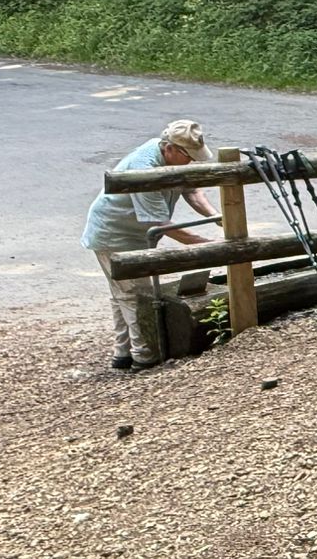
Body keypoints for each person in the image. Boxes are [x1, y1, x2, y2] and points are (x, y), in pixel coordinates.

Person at [80, 118, 219, 371]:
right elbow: (161, 224)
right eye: (189, 157)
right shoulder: (144, 168)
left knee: (123, 294)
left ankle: (123, 353)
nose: (192, 162)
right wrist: (208, 244)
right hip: (115, 233)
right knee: (135, 295)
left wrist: (216, 217)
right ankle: (144, 355)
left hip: (135, 233)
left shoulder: (173, 159)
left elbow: (191, 190)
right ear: (170, 149)